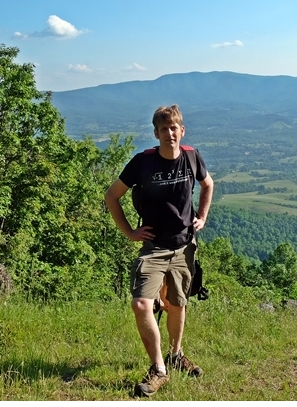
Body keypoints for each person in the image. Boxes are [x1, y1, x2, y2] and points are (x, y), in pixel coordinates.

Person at [104, 102, 213, 397]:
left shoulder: (192, 158)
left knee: (177, 304)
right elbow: (111, 196)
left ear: (182, 130)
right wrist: (129, 232)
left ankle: (176, 355)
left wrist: (202, 216)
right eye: (163, 129)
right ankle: (158, 369)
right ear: (156, 133)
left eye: (174, 127)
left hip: (184, 245)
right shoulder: (143, 163)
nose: (169, 133)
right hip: (153, 247)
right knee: (141, 303)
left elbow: (208, 185)